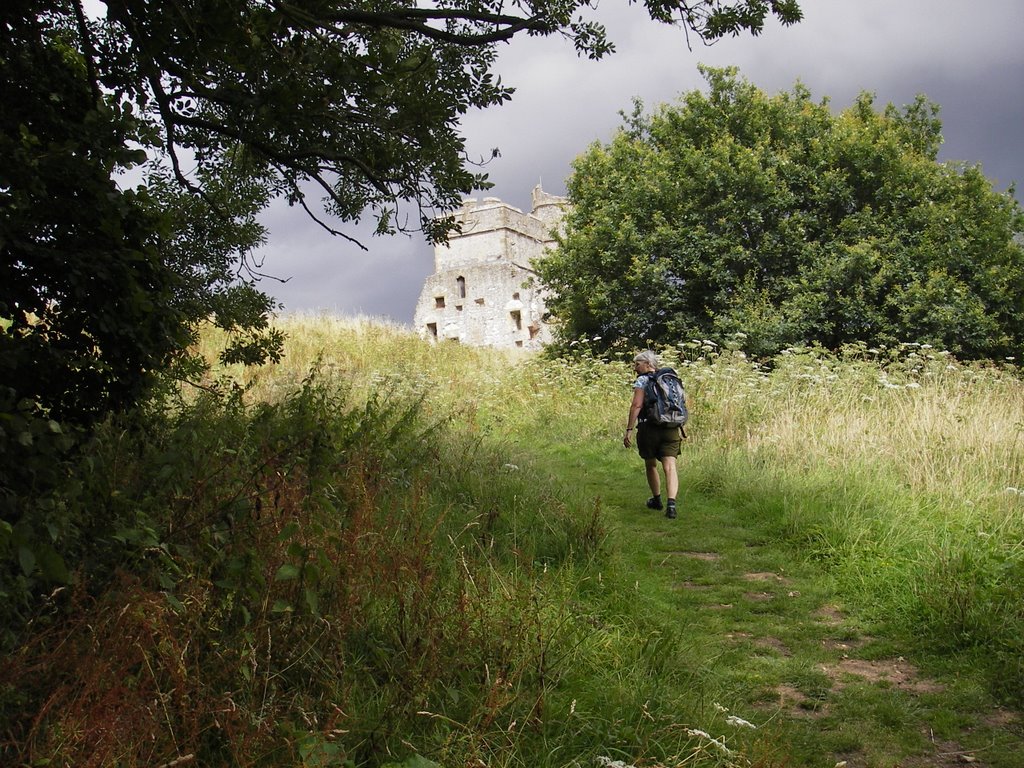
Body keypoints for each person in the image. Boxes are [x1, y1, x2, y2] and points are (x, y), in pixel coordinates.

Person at [623, 350, 682, 519]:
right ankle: (671, 505)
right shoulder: (670, 379)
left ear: (648, 364)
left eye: (637, 364)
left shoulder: (643, 380)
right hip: (671, 427)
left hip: (649, 428)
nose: (635, 368)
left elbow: (636, 405)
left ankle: (657, 500)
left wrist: (629, 429)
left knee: (651, 464)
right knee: (670, 466)